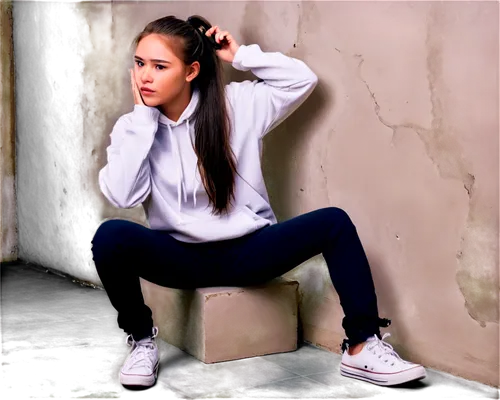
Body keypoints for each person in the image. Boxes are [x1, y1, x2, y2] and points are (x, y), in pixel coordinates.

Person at [92, 15, 427, 387]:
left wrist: (239, 56)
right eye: (139, 64)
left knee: (334, 222)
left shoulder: (238, 105)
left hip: (248, 253)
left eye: (159, 66)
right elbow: (122, 195)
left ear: (191, 71)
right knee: (110, 236)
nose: (144, 77)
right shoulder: (133, 128)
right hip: (179, 257)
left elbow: (303, 81)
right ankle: (141, 343)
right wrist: (143, 120)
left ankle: (362, 347)